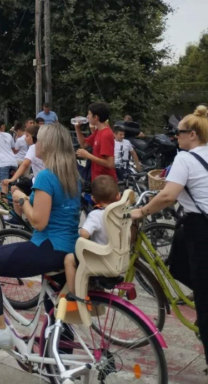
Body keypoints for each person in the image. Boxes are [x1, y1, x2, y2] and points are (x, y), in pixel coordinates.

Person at [0, 123, 81, 347]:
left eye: (39, 140)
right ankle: (58, 357)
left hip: (48, 246)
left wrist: (21, 198)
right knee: (56, 307)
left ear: (48, 145)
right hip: (68, 247)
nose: (35, 144)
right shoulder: (71, 176)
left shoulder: (46, 176)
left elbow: (38, 221)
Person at [131, 105, 208, 367]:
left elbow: (167, 196)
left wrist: (142, 211)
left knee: (205, 299)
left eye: (179, 133)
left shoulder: (185, 158)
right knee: (181, 259)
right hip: (193, 226)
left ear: (193, 135)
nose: (176, 137)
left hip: (201, 229)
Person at [64, 175, 120, 293]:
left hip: (101, 259)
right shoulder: (121, 213)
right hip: (117, 258)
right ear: (118, 196)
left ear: (93, 199)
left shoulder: (96, 215)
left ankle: (74, 293)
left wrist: (81, 231)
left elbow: (84, 234)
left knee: (69, 259)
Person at [75, 102, 117, 181]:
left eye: (89, 114)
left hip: (106, 181)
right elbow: (84, 144)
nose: (87, 117)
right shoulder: (98, 131)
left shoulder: (106, 134)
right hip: (97, 178)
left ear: (96, 117)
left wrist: (88, 155)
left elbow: (110, 163)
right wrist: (77, 128)